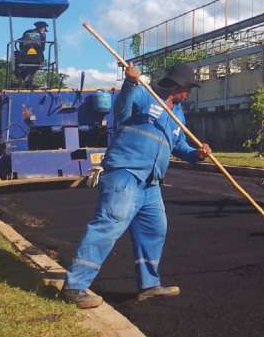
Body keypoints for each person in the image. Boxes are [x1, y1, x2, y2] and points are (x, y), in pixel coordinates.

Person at [61, 62, 211, 309]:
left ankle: (149, 286)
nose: (190, 93)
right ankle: (75, 286)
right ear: (177, 85)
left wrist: (197, 154)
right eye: (189, 88)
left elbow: (178, 145)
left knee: (155, 229)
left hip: (151, 183)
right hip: (125, 173)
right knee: (108, 225)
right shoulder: (144, 93)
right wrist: (130, 83)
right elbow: (121, 110)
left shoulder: (179, 114)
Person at [15, 21, 49, 87]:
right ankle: (27, 80)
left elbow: (20, 45)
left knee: (17, 57)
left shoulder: (27, 32)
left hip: (23, 57)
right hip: (37, 58)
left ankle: (21, 77)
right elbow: (43, 48)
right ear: (43, 28)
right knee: (36, 65)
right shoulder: (43, 35)